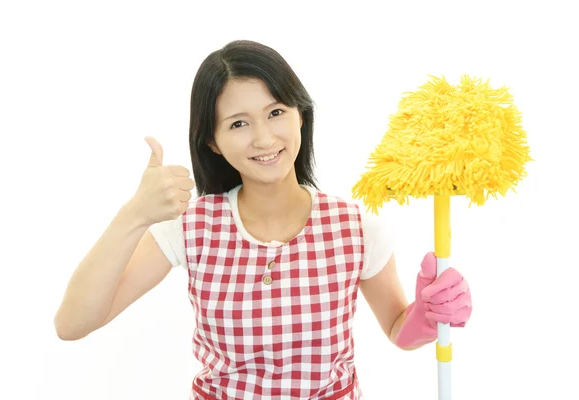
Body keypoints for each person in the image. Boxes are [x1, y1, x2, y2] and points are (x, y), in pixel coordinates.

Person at [54, 39, 473, 399]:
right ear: (213, 143)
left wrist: (430, 315)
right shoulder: (192, 227)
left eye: (276, 113)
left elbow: (400, 329)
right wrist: (135, 215)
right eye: (239, 123)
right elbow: (73, 324)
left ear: (300, 115)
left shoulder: (355, 228)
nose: (264, 138)